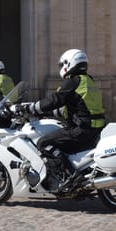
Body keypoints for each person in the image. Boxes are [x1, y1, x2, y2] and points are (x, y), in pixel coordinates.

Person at [24, 48, 106, 191]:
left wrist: (30, 108)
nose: (62, 68)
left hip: (81, 130)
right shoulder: (87, 81)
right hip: (93, 129)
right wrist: (47, 114)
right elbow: (72, 107)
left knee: (44, 143)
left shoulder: (73, 81)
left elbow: (55, 100)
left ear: (70, 63)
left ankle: (68, 175)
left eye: (63, 64)